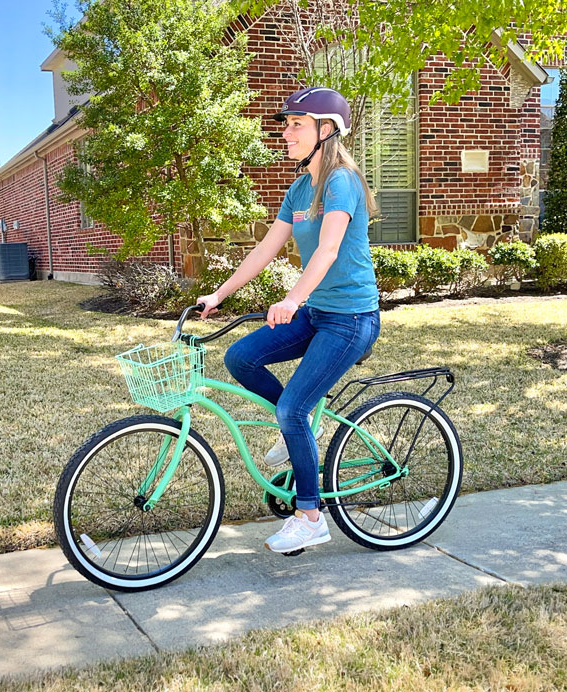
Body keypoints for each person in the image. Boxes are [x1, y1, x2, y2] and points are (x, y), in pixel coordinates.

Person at [196, 86, 381, 554]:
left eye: (297, 124)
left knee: (293, 408)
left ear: (326, 130)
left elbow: (329, 249)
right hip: (319, 315)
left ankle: (310, 516)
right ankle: (298, 431)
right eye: (287, 124)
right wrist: (219, 294)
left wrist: (293, 299)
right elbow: (265, 249)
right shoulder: (299, 189)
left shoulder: (341, 182)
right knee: (240, 358)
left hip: (351, 320)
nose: (286, 132)